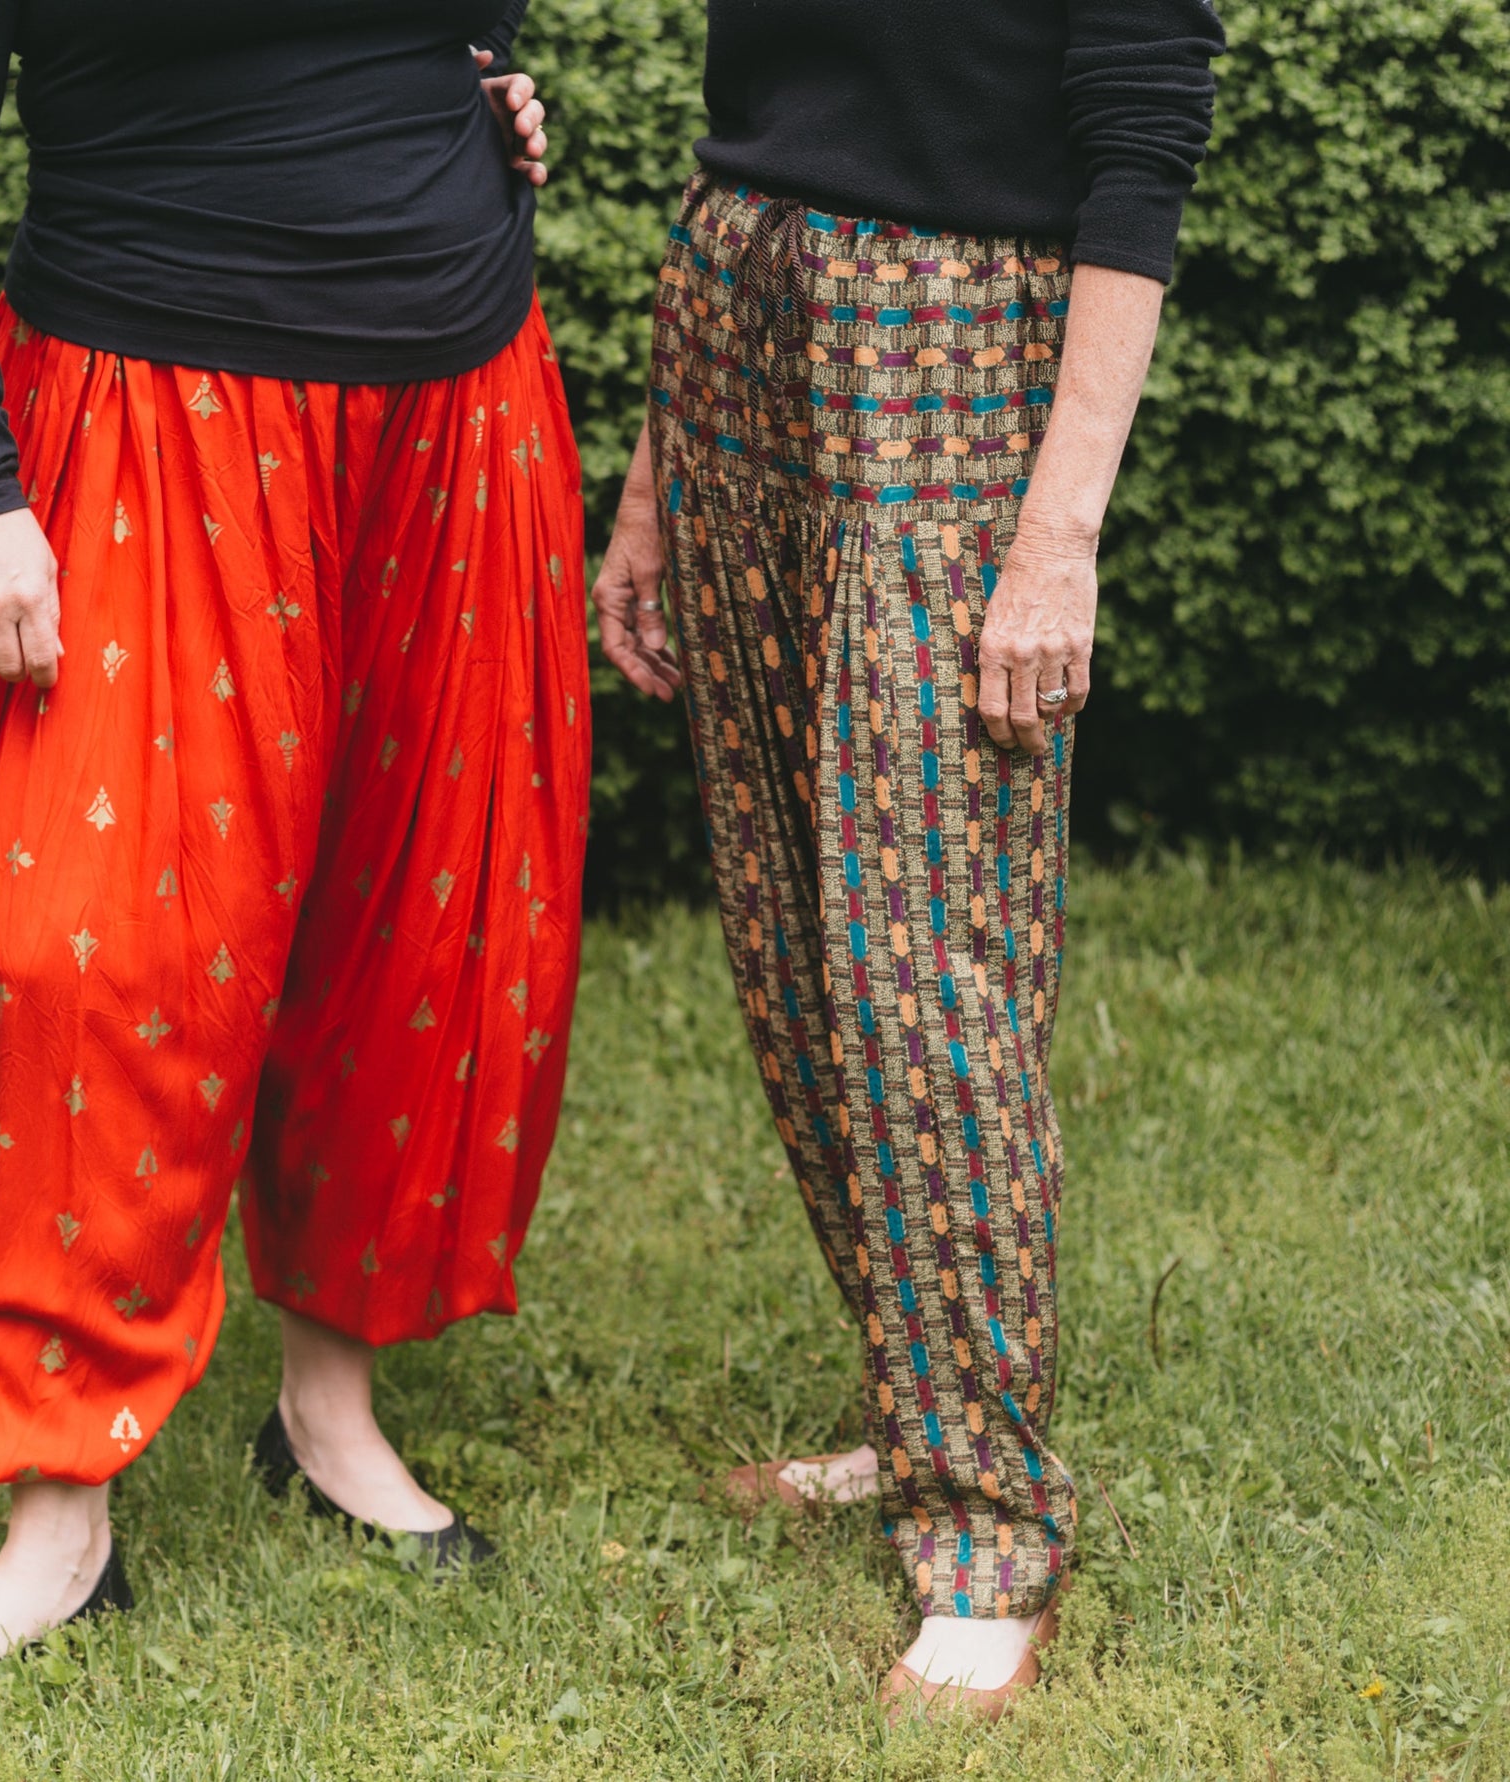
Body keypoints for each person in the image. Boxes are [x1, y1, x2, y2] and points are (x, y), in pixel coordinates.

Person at [0, 0, 587, 1705]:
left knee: (418, 916)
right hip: (140, 395)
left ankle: (329, 1409)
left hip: (458, 387)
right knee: (87, 945)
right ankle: (55, 1518)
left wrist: (474, 91)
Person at [594, 0, 1222, 1722]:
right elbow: (761, 116)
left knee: (924, 955)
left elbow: (1141, 152)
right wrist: (654, 480)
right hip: (742, 320)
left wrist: (1059, 534)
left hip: (949, 350)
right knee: (794, 934)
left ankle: (991, 1521)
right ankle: (917, 1407)